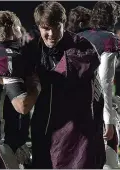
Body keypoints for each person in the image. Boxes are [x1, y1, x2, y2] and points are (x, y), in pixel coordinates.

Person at [22, 1, 105, 168]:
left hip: (76, 133)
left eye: (55, 27)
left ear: (64, 24)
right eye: (46, 28)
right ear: (38, 27)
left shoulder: (82, 47)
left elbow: (71, 76)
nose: (51, 33)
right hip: (44, 129)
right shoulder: (33, 50)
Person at [0, 10, 40, 169]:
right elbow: (22, 105)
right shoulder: (6, 56)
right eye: (19, 27)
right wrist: (37, 87)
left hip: (2, 140)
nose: (22, 31)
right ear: (13, 29)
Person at [76, 1, 120, 168]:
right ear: (113, 18)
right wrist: (108, 119)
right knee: (108, 161)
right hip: (95, 110)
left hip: (72, 109)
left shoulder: (80, 36)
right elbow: (104, 81)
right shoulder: (110, 39)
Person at [114, 24, 120, 98]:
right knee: (118, 89)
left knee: (119, 89)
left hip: (119, 69)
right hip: (117, 69)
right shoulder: (115, 41)